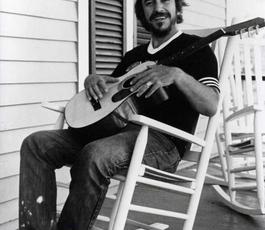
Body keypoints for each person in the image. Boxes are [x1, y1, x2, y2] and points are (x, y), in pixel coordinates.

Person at [19, 0, 219, 229]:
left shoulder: (197, 49)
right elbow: (109, 97)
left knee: (95, 154)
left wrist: (178, 76)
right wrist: (93, 82)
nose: (158, 8)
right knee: (36, 144)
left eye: (164, 0)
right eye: (149, 3)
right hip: (111, 132)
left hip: (161, 142)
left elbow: (211, 104)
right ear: (142, 12)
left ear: (177, 6)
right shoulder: (133, 55)